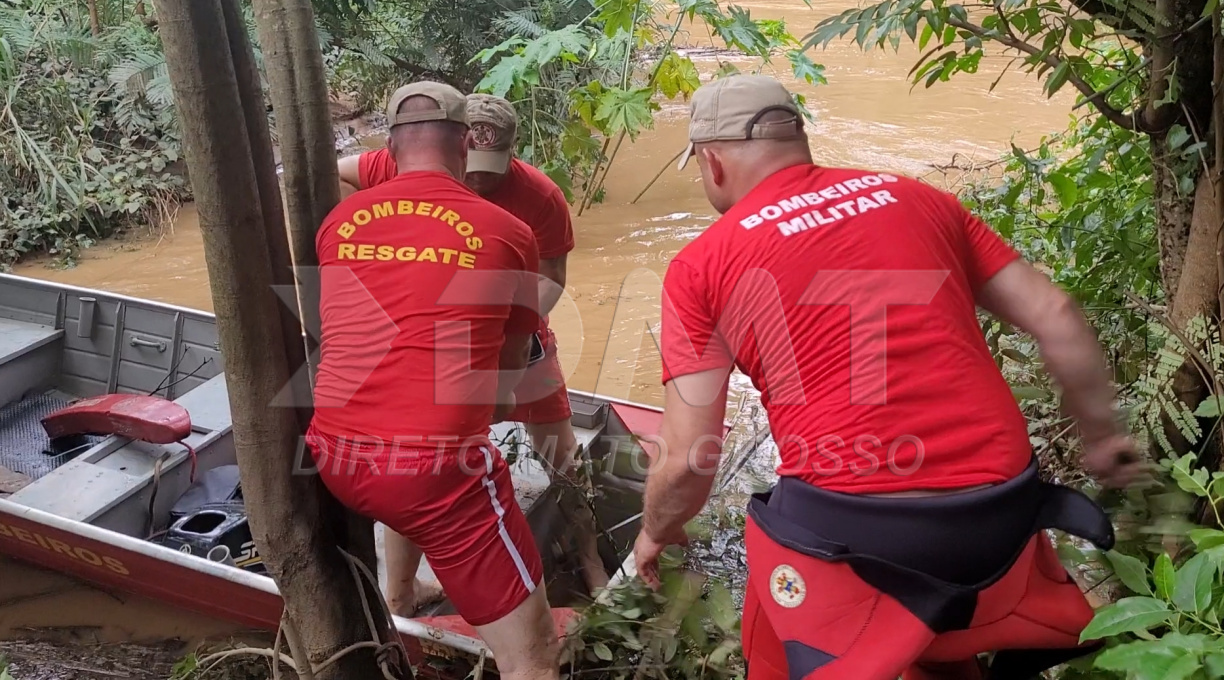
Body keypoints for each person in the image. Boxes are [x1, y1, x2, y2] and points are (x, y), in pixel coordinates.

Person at [631, 74, 1141, 680]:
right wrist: (1104, 439)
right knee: (930, 624)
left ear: (712, 162)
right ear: (799, 141)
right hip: (1001, 516)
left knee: (777, 624)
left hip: (860, 535)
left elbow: (690, 458)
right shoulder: (919, 198)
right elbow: (1056, 315)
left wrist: (653, 531)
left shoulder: (701, 266)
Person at [309, 81, 561, 680]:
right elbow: (501, 380)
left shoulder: (337, 220)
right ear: (468, 142)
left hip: (331, 454)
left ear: (389, 146)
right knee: (535, 658)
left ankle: (399, 599)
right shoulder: (508, 231)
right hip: (435, 471)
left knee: (408, 466)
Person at [339, 92, 610, 612]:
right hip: (429, 347)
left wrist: (510, 326)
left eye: (492, 170)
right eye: (471, 167)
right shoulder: (395, 168)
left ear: (511, 153)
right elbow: (337, 174)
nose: (477, 180)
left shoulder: (540, 197)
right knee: (425, 462)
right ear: (456, 143)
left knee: (562, 455)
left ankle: (591, 562)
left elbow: (551, 278)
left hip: (518, 334)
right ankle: (400, 591)